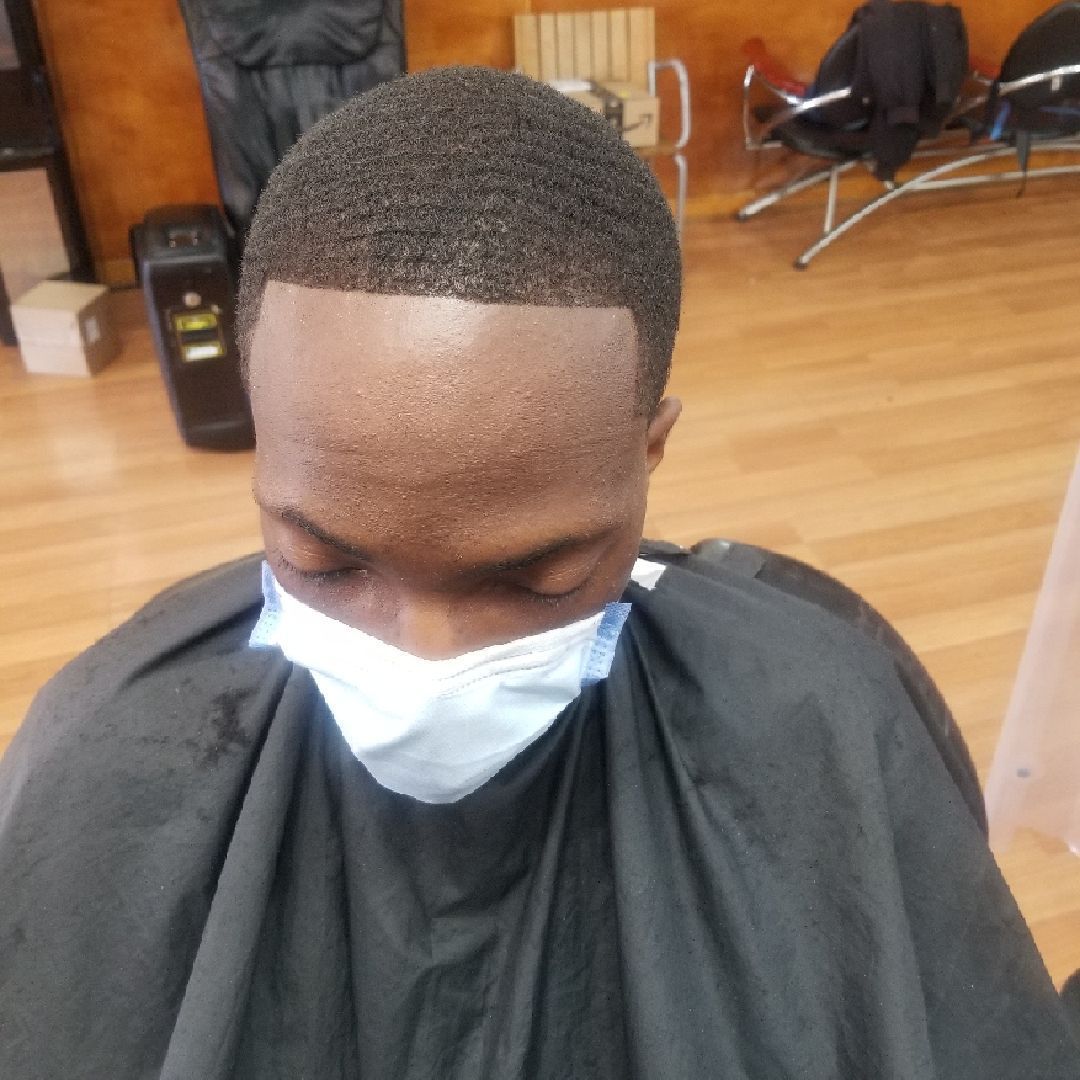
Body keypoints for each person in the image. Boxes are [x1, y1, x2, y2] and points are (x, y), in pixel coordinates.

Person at [0, 66, 1077, 1080]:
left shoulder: (820, 727)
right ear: (265, 441)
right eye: (324, 562)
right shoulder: (109, 739)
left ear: (647, 452)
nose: (423, 659)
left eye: (539, 579)